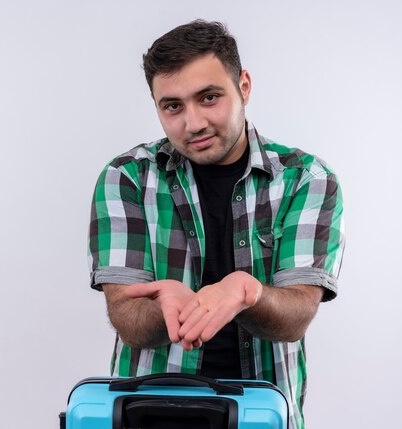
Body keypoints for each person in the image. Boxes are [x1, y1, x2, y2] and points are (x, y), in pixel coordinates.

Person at [87, 20, 344, 429]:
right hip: (149, 415)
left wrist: (249, 292)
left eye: (209, 98)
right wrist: (165, 306)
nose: (193, 124)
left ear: (244, 86)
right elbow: (127, 317)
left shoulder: (307, 179)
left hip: (259, 415)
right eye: (172, 106)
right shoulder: (127, 177)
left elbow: (297, 315)